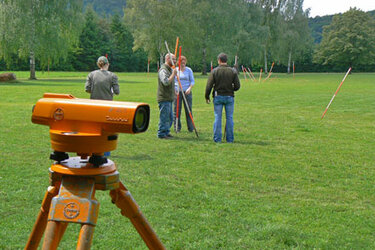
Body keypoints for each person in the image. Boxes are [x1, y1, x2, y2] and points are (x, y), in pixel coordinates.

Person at [85, 56, 119, 156]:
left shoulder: (91, 74)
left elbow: (87, 89)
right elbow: (117, 91)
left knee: (94, 129)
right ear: (107, 64)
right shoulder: (113, 76)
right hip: (107, 106)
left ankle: (92, 149)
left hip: (94, 105)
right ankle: (106, 151)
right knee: (106, 130)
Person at [205, 53, 240, 143]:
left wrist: (207, 96)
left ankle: (217, 139)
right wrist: (232, 88)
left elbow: (209, 85)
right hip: (229, 96)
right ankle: (230, 139)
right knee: (229, 118)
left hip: (218, 96)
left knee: (217, 117)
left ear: (219, 60)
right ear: (226, 60)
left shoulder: (214, 71)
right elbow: (237, 86)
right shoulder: (232, 71)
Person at [157, 53, 178, 139]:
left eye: (175, 59)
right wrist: (173, 74)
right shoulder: (163, 70)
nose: (175, 61)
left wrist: (174, 91)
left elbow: (171, 83)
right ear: (167, 59)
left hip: (169, 97)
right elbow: (165, 82)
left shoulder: (170, 69)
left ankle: (166, 131)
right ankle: (161, 133)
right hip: (164, 97)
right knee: (164, 117)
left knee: (170, 117)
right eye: (173, 59)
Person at [174, 55, 195, 132]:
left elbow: (192, 81)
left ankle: (191, 127)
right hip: (177, 92)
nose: (183, 64)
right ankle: (177, 127)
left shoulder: (189, 70)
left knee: (188, 109)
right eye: (181, 63)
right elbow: (173, 81)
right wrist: (174, 90)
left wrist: (189, 88)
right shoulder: (175, 70)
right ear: (178, 63)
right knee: (177, 110)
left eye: (184, 62)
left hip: (187, 92)